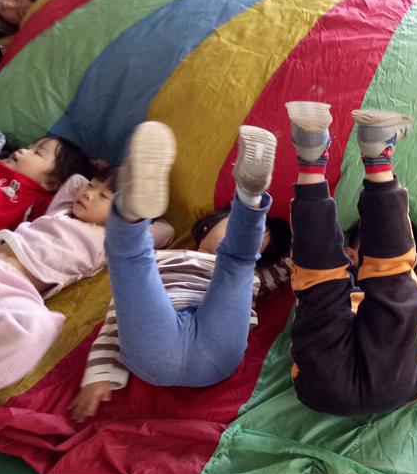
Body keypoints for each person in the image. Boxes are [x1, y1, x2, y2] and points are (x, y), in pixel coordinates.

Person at [71, 121, 291, 420]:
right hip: (156, 345)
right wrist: (98, 373)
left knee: (239, 262)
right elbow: (121, 313)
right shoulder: (162, 257)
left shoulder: (255, 278)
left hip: (217, 348)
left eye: (261, 243)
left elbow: (293, 265)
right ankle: (136, 206)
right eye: (234, 225)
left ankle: (250, 197)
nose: (250, 239)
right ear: (210, 225)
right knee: (133, 262)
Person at [284, 102, 417, 416]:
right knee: (335, 280)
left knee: (333, 281)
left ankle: (371, 158)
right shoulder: (408, 286)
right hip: (374, 383)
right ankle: (314, 158)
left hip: (332, 379)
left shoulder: (353, 275)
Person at [0, 168, 132, 436]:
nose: (88, 193)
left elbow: (163, 230)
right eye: (92, 185)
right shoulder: (62, 211)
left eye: (103, 196)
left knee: (41, 325)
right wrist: (103, 180)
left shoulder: (111, 242)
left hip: (13, 293)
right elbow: (75, 180)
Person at [0, 131, 92, 253]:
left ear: (51, 184)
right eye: (28, 147)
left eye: (37, 153)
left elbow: (74, 187)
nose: (22, 150)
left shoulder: (38, 202)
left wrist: (96, 176)